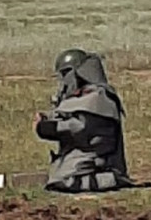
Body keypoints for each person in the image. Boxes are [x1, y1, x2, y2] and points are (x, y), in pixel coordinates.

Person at [33, 49, 136, 193]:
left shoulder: (99, 96)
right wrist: (47, 119)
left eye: (65, 73)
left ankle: (111, 179)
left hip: (96, 159)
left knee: (65, 182)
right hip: (80, 156)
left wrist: (46, 128)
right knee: (57, 178)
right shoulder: (82, 96)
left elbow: (80, 128)